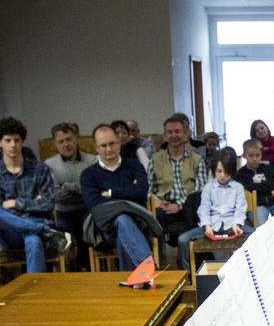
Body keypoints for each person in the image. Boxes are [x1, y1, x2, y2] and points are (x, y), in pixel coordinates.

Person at [0, 117, 70, 275]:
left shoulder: (41, 169)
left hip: (34, 226)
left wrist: (15, 203)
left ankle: (36, 293)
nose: (13, 145)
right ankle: (41, 231)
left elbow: (47, 204)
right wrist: (33, 204)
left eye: (17, 140)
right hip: (8, 232)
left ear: (23, 142)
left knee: (33, 240)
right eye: (8, 140)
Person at [80, 124, 160, 272]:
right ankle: (148, 269)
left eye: (111, 144)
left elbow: (141, 192)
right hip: (104, 231)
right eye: (103, 145)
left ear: (119, 143)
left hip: (138, 225)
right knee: (123, 218)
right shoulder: (88, 175)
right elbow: (95, 205)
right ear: (95, 147)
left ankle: (138, 278)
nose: (108, 149)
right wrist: (128, 195)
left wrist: (110, 194)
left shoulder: (135, 166)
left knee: (123, 224)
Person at [177, 147, 253, 271]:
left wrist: (237, 223)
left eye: (227, 172)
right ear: (213, 171)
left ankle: (251, 271)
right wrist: (206, 226)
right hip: (211, 227)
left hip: (232, 227)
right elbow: (204, 209)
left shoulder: (238, 187)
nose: (223, 176)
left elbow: (240, 208)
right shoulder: (208, 188)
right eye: (219, 171)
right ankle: (186, 275)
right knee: (182, 239)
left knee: (255, 235)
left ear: (232, 171)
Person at [44, 121, 96, 269]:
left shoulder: (91, 160)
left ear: (75, 139)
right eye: (61, 141)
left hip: (88, 211)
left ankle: (92, 272)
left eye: (68, 139)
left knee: (90, 230)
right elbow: (56, 196)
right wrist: (81, 189)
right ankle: (72, 273)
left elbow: (92, 190)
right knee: (67, 240)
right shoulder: (49, 164)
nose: (66, 144)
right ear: (55, 143)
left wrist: (66, 186)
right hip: (63, 213)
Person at [149, 114, 204, 242]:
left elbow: (200, 190)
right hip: (164, 206)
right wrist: (157, 201)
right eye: (170, 132)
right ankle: (157, 258)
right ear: (165, 136)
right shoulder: (155, 160)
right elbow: (149, 189)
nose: (174, 135)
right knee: (150, 217)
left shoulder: (197, 160)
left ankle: (191, 255)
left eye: (178, 131)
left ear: (185, 135)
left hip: (189, 206)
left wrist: (179, 205)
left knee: (197, 204)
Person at [234, 139, 274, 226]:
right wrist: (269, 192)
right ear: (244, 155)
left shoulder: (268, 169)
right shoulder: (240, 175)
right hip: (256, 206)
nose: (255, 159)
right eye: (251, 156)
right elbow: (248, 190)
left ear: (261, 155)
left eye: (258, 155)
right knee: (262, 227)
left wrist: (257, 188)